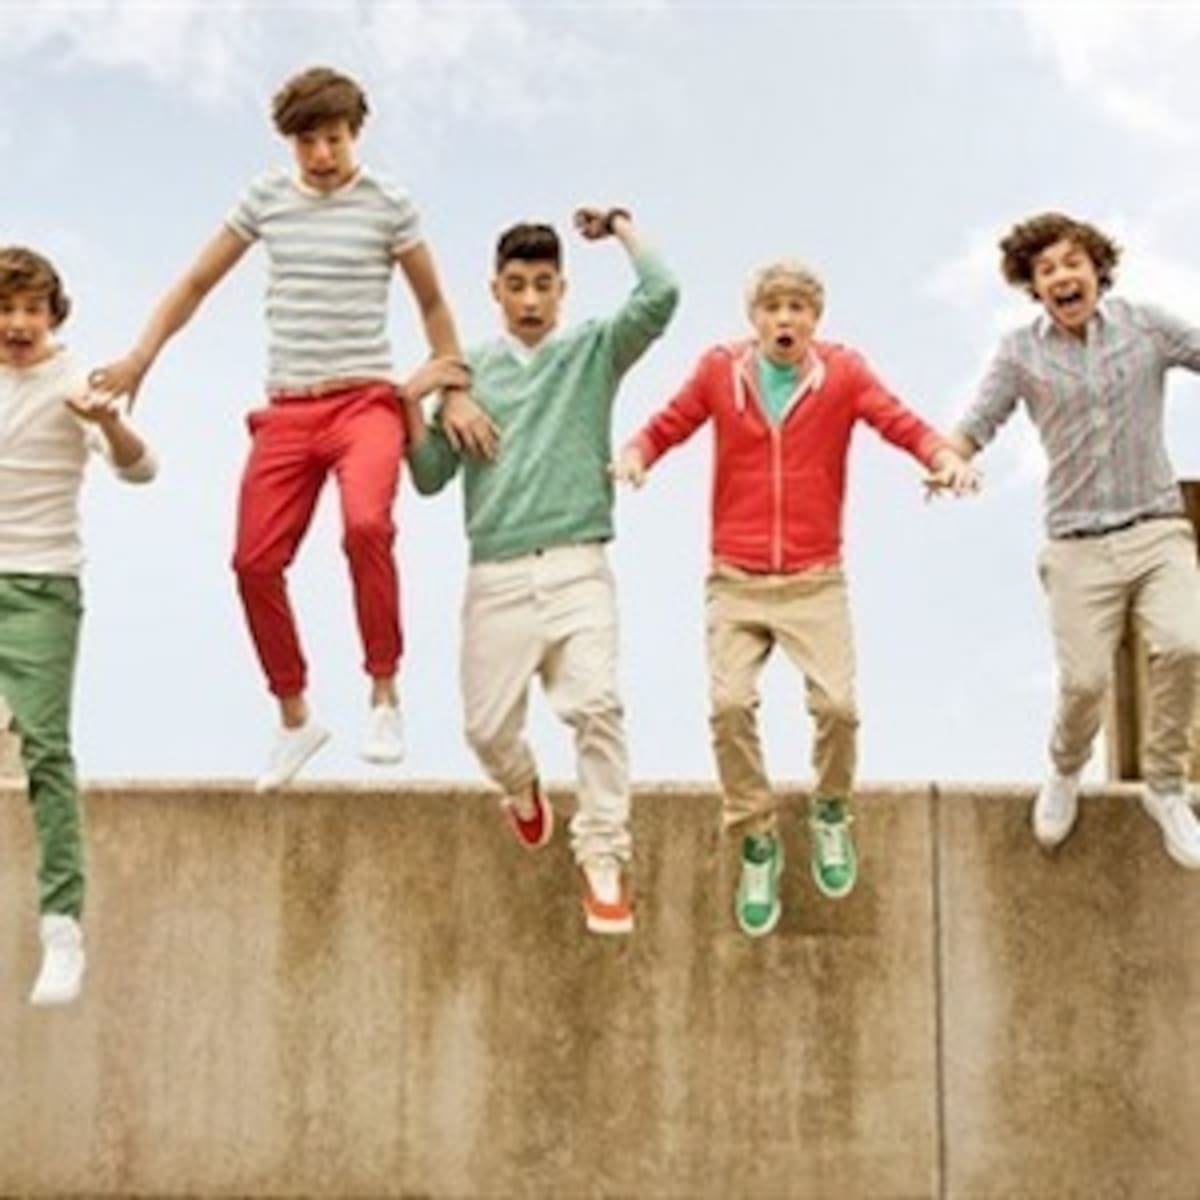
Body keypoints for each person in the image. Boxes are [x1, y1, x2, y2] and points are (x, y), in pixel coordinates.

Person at [89, 66, 493, 791]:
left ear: (355, 133)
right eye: (307, 142)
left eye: (334, 139)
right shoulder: (266, 199)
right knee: (253, 562)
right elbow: (195, 283)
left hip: (365, 404)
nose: (322, 155)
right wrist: (140, 358)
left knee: (366, 526)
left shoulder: (389, 204)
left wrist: (455, 386)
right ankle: (295, 715)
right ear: (289, 143)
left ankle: (384, 694)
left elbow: (433, 302)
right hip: (286, 411)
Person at [614, 259, 975, 937]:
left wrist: (944, 458)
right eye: (773, 307)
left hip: (815, 579)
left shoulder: (843, 374)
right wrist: (636, 454)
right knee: (728, 706)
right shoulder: (720, 370)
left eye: (798, 308)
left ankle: (830, 809)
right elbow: (668, 424)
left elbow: (900, 423)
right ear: (754, 318)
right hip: (736, 578)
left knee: (837, 707)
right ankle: (756, 835)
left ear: (816, 318)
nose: (785, 318)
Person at [404, 206, 679, 934]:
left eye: (544, 286)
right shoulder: (470, 374)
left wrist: (620, 227)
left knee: (597, 705)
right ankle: (522, 789)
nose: (530, 300)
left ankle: (603, 857)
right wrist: (416, 398)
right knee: (486, 730)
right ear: (495, 289)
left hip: (577, 564)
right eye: (517, 286)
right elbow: (428, 478)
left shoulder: (592, 351)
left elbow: (661, 296)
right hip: (495, 574)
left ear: (562, 289)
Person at [945, 211, 1200, 865]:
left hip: (1156, 529)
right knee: (1084, 682)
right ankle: (1063, 770)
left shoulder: (1145, 327)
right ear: (1033, 285)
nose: (1061, 277)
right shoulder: (1019, 353)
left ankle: (1166, 786)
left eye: (1071, 263)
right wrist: (951, 459)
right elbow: (978, 421)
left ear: (1096, 269)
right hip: (1077, 545)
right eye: (1046, 270)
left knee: (1186, 644)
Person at [0, 245, 157, 1004]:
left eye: (32, 309)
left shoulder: (77, 384)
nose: (18, 323)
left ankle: (62, 927)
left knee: (45, 749)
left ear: (53, 315)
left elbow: (141, 468)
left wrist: (110, 423)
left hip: (40, 587)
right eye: (5, 310)